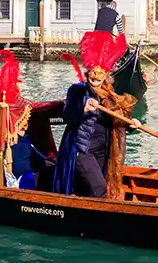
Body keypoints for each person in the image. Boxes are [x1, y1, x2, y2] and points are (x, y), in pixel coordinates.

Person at [53, 27, 138, 197]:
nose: (96, 77)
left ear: (106, 75)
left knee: (90, 190)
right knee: (100, 191)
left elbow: (117, 121)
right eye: (93, 73)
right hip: (83, 151)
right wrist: (83, 110)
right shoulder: (77, 90)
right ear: (88, 72)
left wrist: (131, 125)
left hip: (103, 151)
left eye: (100, 74)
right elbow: (67, 116)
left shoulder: (110, 96)